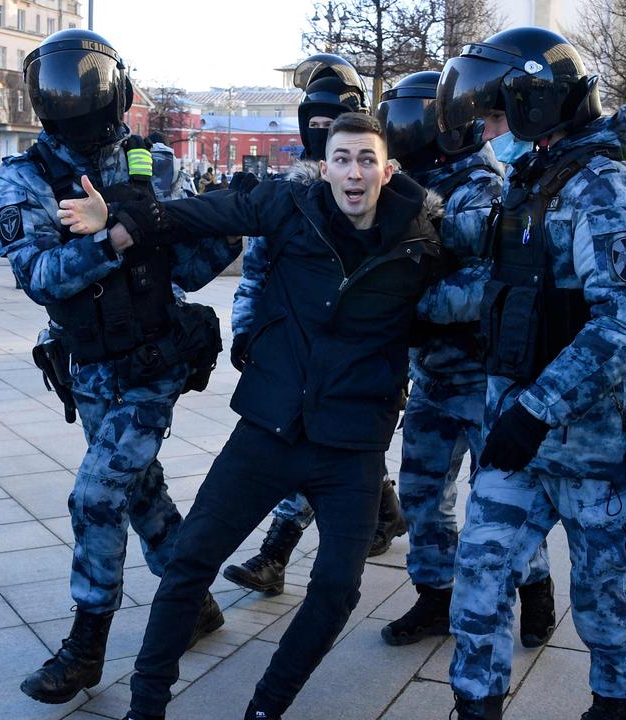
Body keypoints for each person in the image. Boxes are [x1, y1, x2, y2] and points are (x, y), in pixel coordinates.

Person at [91, 112, 449, 720]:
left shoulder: (420, 244)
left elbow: (484, 299)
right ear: (326, 166)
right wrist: (121, 222)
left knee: (337, 591)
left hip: (351, 448)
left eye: (367, 160)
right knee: (188, 566)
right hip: (269, 430)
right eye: (343, 158)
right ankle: (145, 705)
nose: (354, 171)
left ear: (387, 172)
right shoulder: (291, 207)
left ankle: (266, 707)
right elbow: (196, 215)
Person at [0, 29, 238, 705]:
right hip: (89, 364)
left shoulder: (152, 164)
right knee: (140, 490)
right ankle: (195, 603)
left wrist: (217, 225)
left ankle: (87, 647)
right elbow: (41, 276)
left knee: (96, 494)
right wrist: (123, 236)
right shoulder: (25, 176)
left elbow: (187, 268)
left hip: (153, 362)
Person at [433, 28, 626, 720]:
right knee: (478, 579)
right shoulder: (532, 180)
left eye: (497, 117)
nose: (489, 131)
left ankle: (616, 706)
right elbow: (501, 274)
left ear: (536, 107)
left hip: (593, 449)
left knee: (603, 598)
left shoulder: (612, 195)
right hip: (517, 446)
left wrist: (535, 411)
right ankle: (476, 706)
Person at [371, 70, 555, 651]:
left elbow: (488, 285)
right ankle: (435, 594)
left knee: (503, 498)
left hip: (485, 377)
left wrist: (413, 306)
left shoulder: (483, 186)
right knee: (424, 492)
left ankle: (537, 587)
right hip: (432, 375)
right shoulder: (404, 186)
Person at [221, 53, 407, 598]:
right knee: (316, 440)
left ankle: (275, 552)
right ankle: (386, 510)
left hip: (359, 354)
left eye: (335, 117)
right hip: (292, 345)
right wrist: (245, 331)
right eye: (315, 120)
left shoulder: (378, 183)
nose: (323, 129)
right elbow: (255, 269)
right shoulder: (287, 190)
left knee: (317, 443)